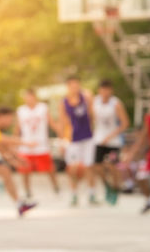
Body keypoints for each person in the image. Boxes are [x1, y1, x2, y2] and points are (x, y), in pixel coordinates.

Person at [59, 75, 97, 206]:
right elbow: (63, 122)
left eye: (76, 84)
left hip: (87, 137)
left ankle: (92, 194)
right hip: (73, 139)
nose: (75, 87)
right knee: (73, 168)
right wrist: (62, 141)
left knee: (89, 166)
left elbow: (93, 115)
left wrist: (94, 131)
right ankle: (74, 194)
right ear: (68, 86)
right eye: (72, 85)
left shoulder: (86, 97)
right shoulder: (64, 102)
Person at [15, 89, 60, 198]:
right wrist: (15, 141)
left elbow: (51, 122)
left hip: (41, 144)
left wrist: (61, 134)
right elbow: (17, 127)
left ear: (34, 97)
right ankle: (27, 190)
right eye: (26, 97)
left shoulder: (43, 108)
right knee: (25, 168)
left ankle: (56, 187)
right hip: (26, 144)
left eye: (30, 96)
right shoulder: (21, 110)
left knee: (49, 167)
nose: (28, 99)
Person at [92, 79, 129, 205]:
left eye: (107, 90)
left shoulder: (116, 103)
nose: (105, 92)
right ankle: (107, 187)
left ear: (111, 90)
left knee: (113, 166)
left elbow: (125, 123)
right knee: (97, 166)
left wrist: (110, 136)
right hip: (99, 140)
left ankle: (115, 189)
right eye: (103, 89)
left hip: (113, 141)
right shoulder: (95, 102)